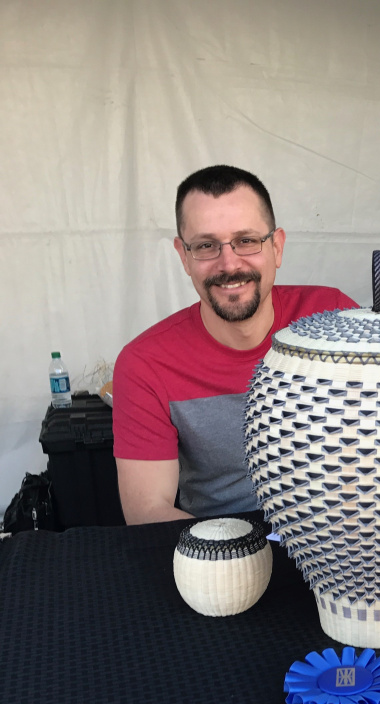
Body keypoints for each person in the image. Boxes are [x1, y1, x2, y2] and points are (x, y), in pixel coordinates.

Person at [113, 165, 358, 524]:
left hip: (343, 537)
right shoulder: (145, 363)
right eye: (206, 246)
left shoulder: (334, 317)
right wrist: (245, 555)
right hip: (218, 553)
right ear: (184, 256)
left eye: (246, 240)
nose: (229, 264)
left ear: (276, 247)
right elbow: (147, 511)